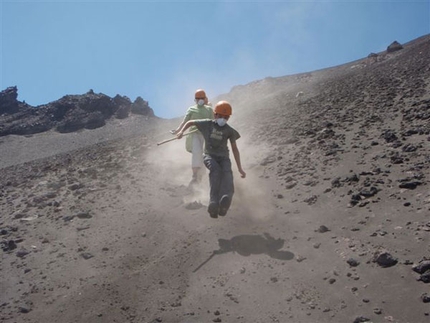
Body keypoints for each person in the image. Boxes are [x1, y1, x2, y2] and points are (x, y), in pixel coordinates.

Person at [177, 100, 246, 218]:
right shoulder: (207, 124)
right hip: (209, 156)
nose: (223, 119)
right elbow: (191, 121)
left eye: (226, 117)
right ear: (215, 115)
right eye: (221, 116)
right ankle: (213, 203)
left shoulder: (229, 130)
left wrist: (240, 168)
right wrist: (181, 132)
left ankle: (225, 202)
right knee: (215, 172)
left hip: (224, 158)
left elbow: (235, 149)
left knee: (228, 174)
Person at [171, 89, 214, 184]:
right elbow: (185, 121)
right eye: (197, 98)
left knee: (205, 154)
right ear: (195, 99)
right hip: (194, 134)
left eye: (201, 98)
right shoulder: (191, 109)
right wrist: (179, 131)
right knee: (197, 152)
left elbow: (213, 122)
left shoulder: (209, 109)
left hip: (206, 135)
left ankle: (201, 176)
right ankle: (195, 176)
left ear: (205, 98)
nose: (200, 100)